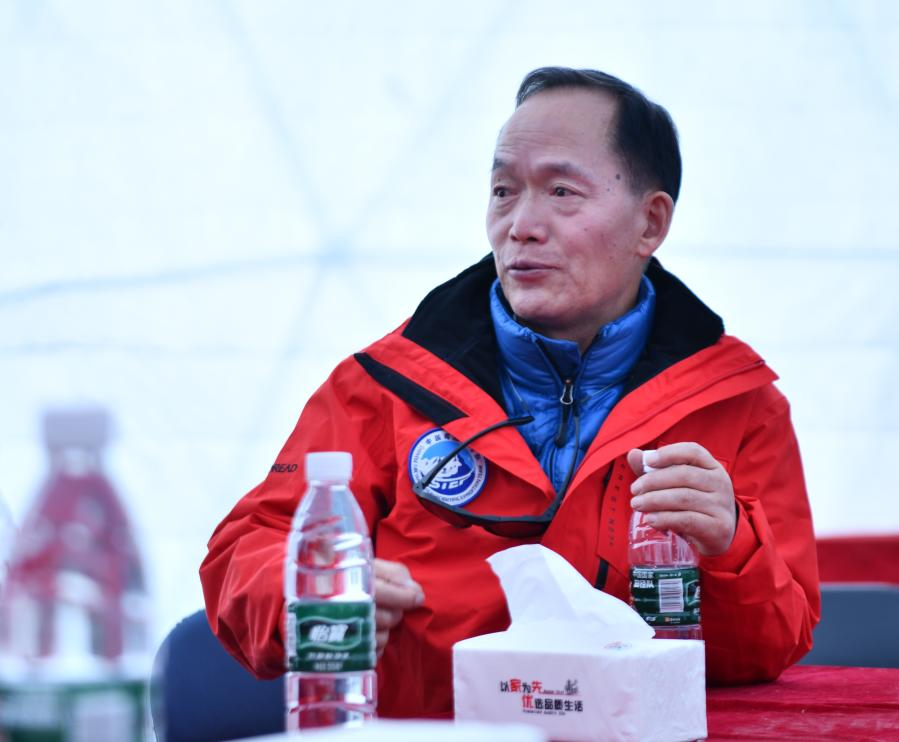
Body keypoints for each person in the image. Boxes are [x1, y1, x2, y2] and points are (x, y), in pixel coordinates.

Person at [200, 67, 820, 718]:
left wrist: (732, 548)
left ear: (650, 223)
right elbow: (244, 553)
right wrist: (308, 594)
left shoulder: (736, 404)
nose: (521, 225)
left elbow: (770, 647)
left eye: (561, 192)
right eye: (503, 191)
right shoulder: (383, 385)